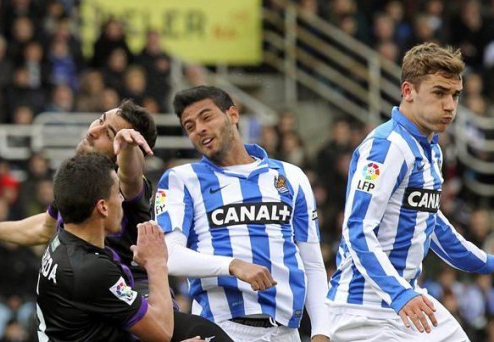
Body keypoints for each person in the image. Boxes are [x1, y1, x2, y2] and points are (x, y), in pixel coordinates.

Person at [327, 42, 492, 341]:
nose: (450, 106)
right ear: (408, 92)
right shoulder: (387, 147)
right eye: (439, 93)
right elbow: (357, 231)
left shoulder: (431, 151)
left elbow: (433, 225)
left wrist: (489, 264)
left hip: (409, 301)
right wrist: (399, 293)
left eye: (455, 95)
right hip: (365, 310)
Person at [154, 86, 330, 342]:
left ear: (233, 115)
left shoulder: (291, 176)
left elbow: (312, 264)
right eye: (189, 126)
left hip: (287, 332)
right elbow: (169, 256)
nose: (199, 129)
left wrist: (322, 332)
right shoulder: (182, 179)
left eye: (206, 117)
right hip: (222, 330)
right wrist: (232, 266)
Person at [0, 99, 157, 287]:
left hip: (134, 295)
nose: (92, 131)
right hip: (88, 294)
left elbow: (131, 175)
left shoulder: (126, 187)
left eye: (108, 133)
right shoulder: (76, 180)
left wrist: (129, 146)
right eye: (100, 120)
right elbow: (45, 228)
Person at [35, 153, 174, 341]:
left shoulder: (64, 236)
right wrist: (156, 263)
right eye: (118, 192)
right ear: (103, 207)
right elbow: (162, 332)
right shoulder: (91, 269)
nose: (122, 200)